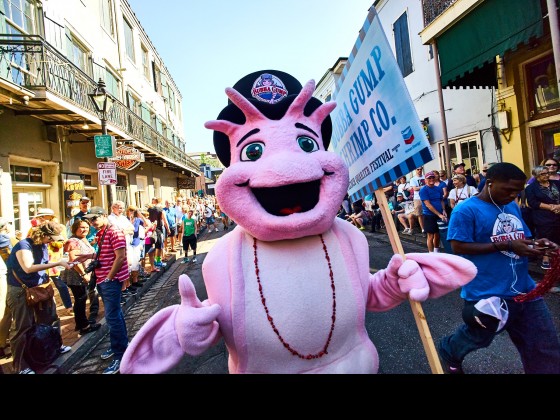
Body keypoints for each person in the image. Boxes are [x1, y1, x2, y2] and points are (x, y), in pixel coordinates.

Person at [438, 162, 560, 374]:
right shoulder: (465, 210)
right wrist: (505, 245)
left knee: (544, 347)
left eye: (517, 191)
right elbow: (457, 246)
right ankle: (450, 349)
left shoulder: (510, 205)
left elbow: (521, 236)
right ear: (490, 183)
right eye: (509, 190)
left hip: (525, 289)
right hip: (487, 293)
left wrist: (539, 244)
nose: (513, 196)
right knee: (477, 338)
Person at [6, 222, 72, 374]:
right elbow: (28, 267)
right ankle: (20, 366)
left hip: (40, 287)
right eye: (51, 238)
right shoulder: (24, 245)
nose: (52, 241)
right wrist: (56, 263)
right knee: (22, 328)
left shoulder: (43, 245)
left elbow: (42, 263)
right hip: (21, 290)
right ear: (43, 235)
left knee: (51, 318)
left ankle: (55, 347)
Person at [78, 206, 129, 374]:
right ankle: (121, 347)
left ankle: (120, 355)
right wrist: (89, 256)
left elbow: (120, 256)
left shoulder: (114, 232)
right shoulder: (102, 232)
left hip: (109, 281)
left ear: (104, 216)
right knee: (116, 314)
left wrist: (109, 277)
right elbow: (105, 254)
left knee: (112, 317)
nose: (92, 222)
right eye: (90, 220)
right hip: (103, 279)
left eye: (94, 219)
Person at [61, 219, 101, 335]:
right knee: (80, 300)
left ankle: (82, 323)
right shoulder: (73, 241)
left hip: (85, 273)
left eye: (86, 227)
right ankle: (84, 326)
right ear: (75, 228)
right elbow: (74, 260)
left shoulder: (82, 239)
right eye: (82, 227)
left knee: (82, 299)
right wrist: (83, 274)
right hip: (76, 276)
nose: (85, 230)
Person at [524, 165, 560, 271]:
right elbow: (532, 202)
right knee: (546, 237)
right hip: (543, 216)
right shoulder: (531, 188)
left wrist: (558, 207)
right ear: (536, 175)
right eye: (543, 174)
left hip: (558, 213)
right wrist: (551, 207)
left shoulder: (557, 184)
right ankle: (546, 258)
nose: (546, 175)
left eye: (547, 173)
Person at [419, 171, 447, 253]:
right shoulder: (423, 190)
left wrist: (443, 210)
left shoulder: (438, 189)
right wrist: (439, 214)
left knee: (437, 234)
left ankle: (436, 251)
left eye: (432, 177)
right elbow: (428, 205)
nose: (431, 179)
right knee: (430, 235)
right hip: (429, 215)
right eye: (429, 178)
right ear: (425, 180)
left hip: (439, 214)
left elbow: (441, 200)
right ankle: (430, 253)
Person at [409, 167, 426, 234]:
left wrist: (420, 187)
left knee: (426, 213)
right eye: (418, 169)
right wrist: (423, 187)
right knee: (419, 214)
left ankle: (426, 227)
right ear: (415, 170)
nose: (419, 171)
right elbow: (415, 189)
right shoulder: (413, 179)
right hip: (417, 198)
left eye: (420, 169)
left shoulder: (425, 177)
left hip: (425, 197)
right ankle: (422, 229)